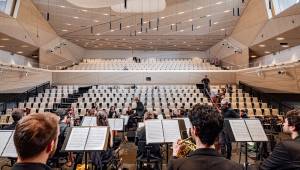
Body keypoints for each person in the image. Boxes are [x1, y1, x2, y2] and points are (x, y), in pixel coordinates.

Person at [168, 104, 243, 170]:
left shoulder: (176, 165)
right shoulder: (236, 167)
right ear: (218, 132)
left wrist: (174, 155)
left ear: (195, 130)